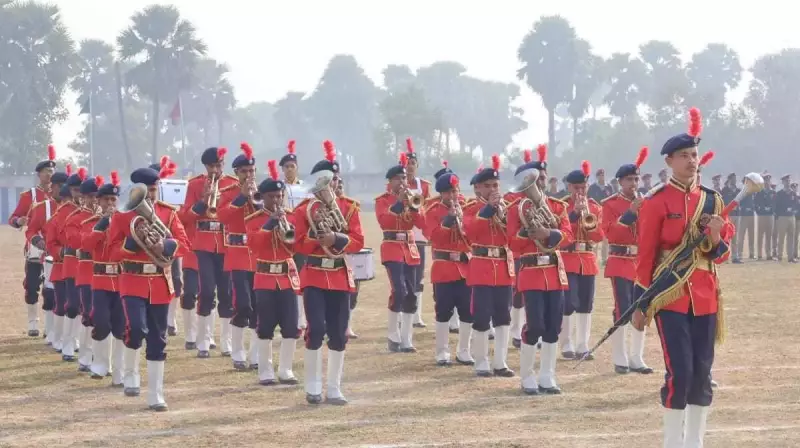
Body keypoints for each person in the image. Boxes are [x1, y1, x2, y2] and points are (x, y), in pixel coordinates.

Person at [631, 107, 734, 448]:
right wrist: (640, 304)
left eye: (695, 155)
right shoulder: (656, 202)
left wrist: (717, 238)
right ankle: (673, 443)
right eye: (685, 156)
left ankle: (695, 443)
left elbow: (721, 255)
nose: (693, 161)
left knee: (702, 373)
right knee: (681, 372)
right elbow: (645, 257)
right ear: (669, 162)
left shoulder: (712, 201)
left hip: (705, 296)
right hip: (670, 297)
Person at [106, 164, 190, 410]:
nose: (152, 196)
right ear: (137, 190)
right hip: (132, 280)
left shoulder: (168, 214)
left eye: (155, 190)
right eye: (148, 191)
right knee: (136, 328)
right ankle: (131, 373)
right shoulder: (122, 216)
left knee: (158, 338)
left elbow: (185, 244)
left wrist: (165, 246)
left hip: (160, 282)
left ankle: (156, 393)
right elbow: (111, 252)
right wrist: (131, 245)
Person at [292, 140, 364, 405]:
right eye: (326, 180)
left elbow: (357, 240)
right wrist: (319, 238)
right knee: (316, 327)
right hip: (313, 275)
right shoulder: (304, 209)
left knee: (338, 331)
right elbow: (297, 243)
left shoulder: (350, 207)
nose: (331, 185)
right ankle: (312, 386)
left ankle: (333, 387)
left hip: (339, 275)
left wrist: (335, 238)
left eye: (334, 179)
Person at [506, 144, 572, 394]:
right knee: (534, 326)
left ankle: (547, 375)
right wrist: (529, 233)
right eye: (536, 179)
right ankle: (527, 376)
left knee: (554, 326)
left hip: (555, 273)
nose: (541, 182)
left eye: (542, 178)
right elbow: (512, 243)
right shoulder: (517, 209)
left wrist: (549, 233)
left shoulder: (557, 207)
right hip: (532, 273)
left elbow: (567, 235)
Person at [245, 160, 300, 385]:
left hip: (287, 277)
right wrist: (269, 224)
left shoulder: (291, 216)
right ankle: (265, 370)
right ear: (263, 197)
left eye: (279, 196)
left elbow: (296, 247)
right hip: (265, 278)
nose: (277, 200)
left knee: (291, 325)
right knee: (265, 325)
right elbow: (254, 245)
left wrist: (286, 228)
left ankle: (285, 370)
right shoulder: (254, 220)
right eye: (272, 197)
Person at [180, 147, 238, 358]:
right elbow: (184, 216)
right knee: (205, 292)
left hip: (225, 244)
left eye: (219, 165)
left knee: (226, 293)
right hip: (202, 244)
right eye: (212, 166)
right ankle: (203, 340)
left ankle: (226, 341)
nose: (216, 170)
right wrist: (203, 201)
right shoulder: (195, 184)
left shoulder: (232, 184)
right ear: (205, 167)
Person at [601, 147, 653, 375]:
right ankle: (620, 357)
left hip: (641, 261)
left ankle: (636, 357)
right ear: (620, 182)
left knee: (642, 309)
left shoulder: (648, 202)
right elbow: (611, 234)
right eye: (629, 179)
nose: (634, 183)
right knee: (623, 308)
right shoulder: (610, 204)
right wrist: (630, 213)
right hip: (620, 260)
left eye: (636, 179)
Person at [463, 154, 514, 377]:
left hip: (503, 266)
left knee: (504, 316)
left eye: (495, 185)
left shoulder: (508, 208)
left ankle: (500, 361)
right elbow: (470, 232)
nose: (493, 189)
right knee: (482, 315)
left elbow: (514, 237)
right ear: (478, 189)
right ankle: (481, 360)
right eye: (487, 186)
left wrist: (502, 213)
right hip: (482, 266)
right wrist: (488, 210)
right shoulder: (471, 208)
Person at [217, 143, 262, 371]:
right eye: (244, 171)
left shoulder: (262, 192)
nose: (249, 175)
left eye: (252, 171)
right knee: (242, 305)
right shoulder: (228, 193)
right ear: (236, 173)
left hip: (257, 254)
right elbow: (222, 216)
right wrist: (241, 198)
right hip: (236, 254)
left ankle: (255, 355)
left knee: (258, 306)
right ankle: (237, 352)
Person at [375, 152, 426, 353]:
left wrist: (414, 207)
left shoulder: (412, 197)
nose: (403, 181)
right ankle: (392, 333)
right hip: (392, 248)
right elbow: (384, 222)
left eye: (404, 178)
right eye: (398, 178)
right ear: (390, 181)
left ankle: (406, 339)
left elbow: (421, 223)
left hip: (410, 248)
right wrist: (398, 203)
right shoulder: (382, 200)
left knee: (412, 294)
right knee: (399, 290)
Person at [423, 169, 474, 366]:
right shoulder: (433, 210)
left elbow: (472, 237)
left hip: (464, 266)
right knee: (443, 310)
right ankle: (442, 351)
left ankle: (464, 350)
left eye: (455, 191)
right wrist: (447, 221)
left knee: (467, 311)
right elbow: (432, 236)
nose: (453, 196)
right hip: (444, 267)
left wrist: (462, 223)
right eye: (449, 192)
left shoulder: (466, 208)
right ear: (442, 194)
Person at [82, 172, 125, 384]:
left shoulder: (125, 222)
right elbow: (86, 245)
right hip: (99, 280)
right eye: (106, 199)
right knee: (100, 322)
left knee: (121, 325)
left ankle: (119, 371)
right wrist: (103, 223)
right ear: (98, 201)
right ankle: (100, 364)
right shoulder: (91, 222)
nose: (110, 203)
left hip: (120, 279)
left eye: (113, 199)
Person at [559, 161, 605, 360]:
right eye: (576, 188)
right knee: (569, 303)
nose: (580, 191)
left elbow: (598, 236)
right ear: (569, 187)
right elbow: (560, 232)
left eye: (583, 187)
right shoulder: (560, 206)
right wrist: (575, 214)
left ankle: (582, 344)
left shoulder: (594, 207)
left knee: (586, 303)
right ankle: (566, 343)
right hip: (568, 258)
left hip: (587, 259)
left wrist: (587, 217)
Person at [13, 145, 56, 337]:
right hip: (35, 246)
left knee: (51, 287)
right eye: (47, 171)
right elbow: (13, 217)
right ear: (39, 174)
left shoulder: (60, 196)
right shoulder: (29, 196)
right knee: (31, 285)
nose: (50, 174)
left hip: (54, 247)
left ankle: (51, 325)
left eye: (52, 171)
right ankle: (33, 321)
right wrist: (19, 221)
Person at [26, 166, 69, 345]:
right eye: (58, 186)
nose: (61, 189)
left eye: (64, 185)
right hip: (50, 257)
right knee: (51, 295)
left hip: (74, 258)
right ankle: (50, 331)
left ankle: (67, 334)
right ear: (52, 188)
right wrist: (39, 242)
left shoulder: (76, 208)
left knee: (72, 297)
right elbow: (31, 230)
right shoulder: (42, 207)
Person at [66, 174, 104, 372]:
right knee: (89, 314)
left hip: (107, 274)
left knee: (103, 316)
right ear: (84, 197)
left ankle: (100, 356)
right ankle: (85, 356)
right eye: (90, 196)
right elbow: (76, 243)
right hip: (87, 270)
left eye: (97, 196)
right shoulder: (76, 219)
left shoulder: (111, 218)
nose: (94, 200)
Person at [52, 167, 88, 362]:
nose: (79, 194)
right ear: (69, 191)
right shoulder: (63, 212)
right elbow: (55, 239)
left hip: (90, 264)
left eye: (82, 190)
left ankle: (83, 347)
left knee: (87, 308)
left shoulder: (95, 211)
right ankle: (67, 343)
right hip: (72, 262)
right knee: (72, 305)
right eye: (75, 190)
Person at [44, 167, 79, 355]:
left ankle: (73, 340)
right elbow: (51, 244)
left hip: (83, 267)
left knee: (79, 306)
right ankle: (59, 338)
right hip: (61, 265)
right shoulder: (58, 217)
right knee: (62, 305)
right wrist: (63, 252)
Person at [281, 139, 312, 331]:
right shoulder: (278, 188)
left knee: (300, 275)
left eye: (293, 166)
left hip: (300, 235)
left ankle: (301, 317)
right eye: (287, 167)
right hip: (284, 235)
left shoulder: (306, 188)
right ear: (282, 169)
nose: (290, 169)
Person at [402, 139, 432, 328]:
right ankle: (402, 313)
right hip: (403, 233)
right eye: (407, 163)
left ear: (417, 165)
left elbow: (427, 209)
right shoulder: (396, 184)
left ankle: (417, 314)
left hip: (419, 235)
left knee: (418, 275)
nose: (410, 167)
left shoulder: (425, 186)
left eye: (412, 163)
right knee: (403, 276)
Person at [151, 158, 181, 337]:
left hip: (170, 244)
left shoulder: (170, 196)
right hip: (150, 246)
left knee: (176, 280)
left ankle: (171, 318)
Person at [754, 172, 776, 260]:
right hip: (762, 216)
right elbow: (755, 204)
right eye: (765, 180)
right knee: (760, 235)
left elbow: (775, 204)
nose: (767, 182)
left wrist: (771, 210)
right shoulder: (759, 192)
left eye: (768, 180)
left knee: (769, 235)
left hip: (770, 216)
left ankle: (768, 254)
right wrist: (760, 211)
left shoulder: (773, 192)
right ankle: (759, 254)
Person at [775, 174, 795, 262]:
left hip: (791, 217)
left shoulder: (793, 193)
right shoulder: (779, 193)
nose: (788, 182)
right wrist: (783, 211)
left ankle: (790, 257)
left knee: (791, 238)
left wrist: (793, 210)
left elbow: (795, 204)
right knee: (781, 238)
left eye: (789, 181)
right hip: (782, 217)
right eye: (786, 181)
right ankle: (779, 256)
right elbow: (777, 206)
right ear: (783, 182)